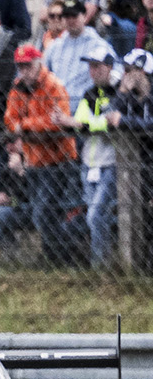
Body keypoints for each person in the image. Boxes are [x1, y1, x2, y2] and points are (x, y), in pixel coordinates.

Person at [3, 44, 81, 266]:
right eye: (20, 67)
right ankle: (54, 257)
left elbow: (57, 123)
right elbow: (9, 120)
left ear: (38, 63)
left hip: (59, 160)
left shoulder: (53, 86)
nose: (24, 71)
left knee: (44, 213)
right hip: (34, 160)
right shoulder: (18, 88)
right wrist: (30, 128)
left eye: (27, 66)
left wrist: (25, 127)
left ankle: (62, 258)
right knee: (43, 214)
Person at [73, 43, 120, 269]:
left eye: (97, 66)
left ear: (110, 67)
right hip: (89, 163)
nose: (93, 71)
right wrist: (88, 124)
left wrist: (87, 124)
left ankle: (99, 264)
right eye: (90, 67)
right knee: (94, 215)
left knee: (95, 214)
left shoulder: (119, 92)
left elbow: (110, 125)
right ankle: (103, 260)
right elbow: (80, 123)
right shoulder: (89, 93)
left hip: (111, 163)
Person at [42, 0, 110, 111]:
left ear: (84, 16)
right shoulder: (55, 46)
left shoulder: (98, 43)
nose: (70, 20)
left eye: (74, 16)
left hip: (85, 111)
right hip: (56, 110)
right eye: (67, 16)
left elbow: (115, 70)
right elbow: (42, 71)